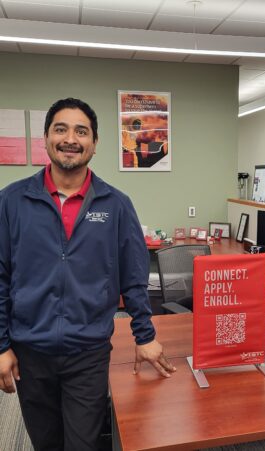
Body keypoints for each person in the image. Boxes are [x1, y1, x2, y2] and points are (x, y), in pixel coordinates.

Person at [0, 98, 176, 451]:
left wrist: (144, 335)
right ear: (46, 138)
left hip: (89, 353)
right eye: (61, 129)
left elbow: (134, 277)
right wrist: (2, 344)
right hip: (31, 353)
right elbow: (1, 277)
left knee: (84, 443)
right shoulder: (12, 201)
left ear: (94, 144)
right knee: (46, 442)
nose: (71, 139)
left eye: (82, 131)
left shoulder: (116, 204)